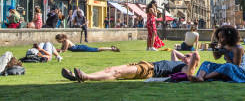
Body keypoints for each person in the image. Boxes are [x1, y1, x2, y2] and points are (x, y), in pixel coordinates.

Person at [62, 49, 197, 82]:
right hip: (144, 64)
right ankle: (77, 76)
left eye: (188, 56)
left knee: (117, 74)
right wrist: (185, 57)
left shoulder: (185, 69)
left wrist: (192, 57)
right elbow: (174, 51)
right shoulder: (178, 62)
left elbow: (195, 57)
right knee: (111, 69)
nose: (185, 56)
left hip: (149, 70)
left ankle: (86, 77)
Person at [55, 34, 120, 53]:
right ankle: (111, 49)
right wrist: (57, 51)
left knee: (97, 49)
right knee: (97, 49)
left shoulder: (66, 41)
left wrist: (56, 50)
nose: (57, 41)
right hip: (80, 48)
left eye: (58, 40)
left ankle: (111, 48)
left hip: (81, 48)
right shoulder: (63, 42)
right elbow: (61, 50)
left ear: (61, 39)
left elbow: (64, 50)